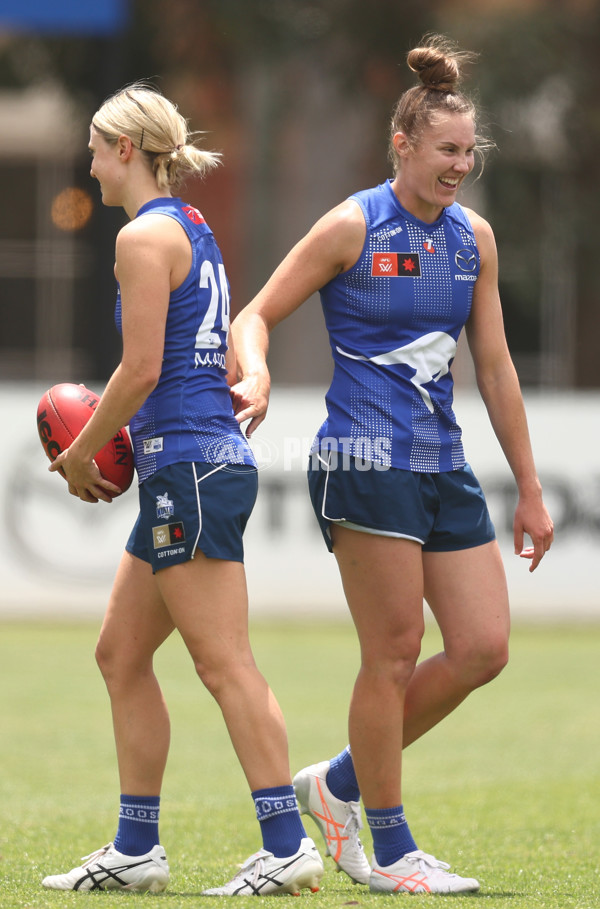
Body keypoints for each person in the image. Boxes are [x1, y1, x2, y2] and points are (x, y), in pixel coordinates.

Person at [230, 35, 554, 895]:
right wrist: (256, 372)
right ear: (402, 146)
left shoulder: (472, 239)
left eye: (469, 151)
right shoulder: (351, 224)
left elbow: (495, 369)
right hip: (362, 457)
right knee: (396, 652)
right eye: (447, 150)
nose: (461, 165)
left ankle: (335, 783)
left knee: (483, 647)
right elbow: (253, 316)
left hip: (442, 464)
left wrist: (527, 484)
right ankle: (392, 845)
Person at [41, 83, 323, 897]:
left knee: (224, 662)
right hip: (193, 464)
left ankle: (284, 843)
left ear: (126, 149)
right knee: (120, 654)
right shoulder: (191, 227)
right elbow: (215, 356)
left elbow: (139, 371)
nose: (89, 162)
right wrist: (255, 375)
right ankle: (137, 850)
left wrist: (78, 454)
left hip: (190, 469)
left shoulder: (141, 238)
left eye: (96, 147)